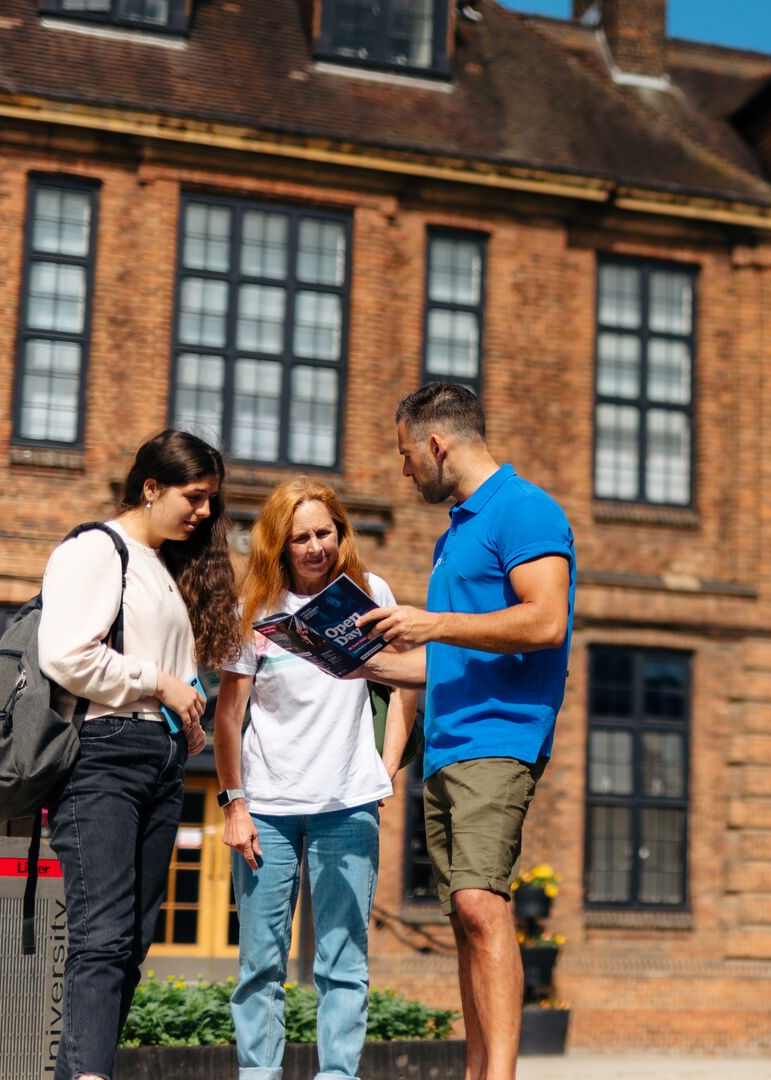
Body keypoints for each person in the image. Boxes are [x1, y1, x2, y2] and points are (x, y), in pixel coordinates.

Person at [355, 383, 573, 1080]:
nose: (403, 470)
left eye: (405, 455)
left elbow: (545, 621)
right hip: (447, 746)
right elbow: (440, 657)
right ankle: (478, 1069)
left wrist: (433, 622)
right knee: (464, 914)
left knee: (481, 902)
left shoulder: (525, 509)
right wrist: (355, 662)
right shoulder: (455, 536)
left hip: (499, 735)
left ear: (436, 444)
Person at [38, 430, 242, 1080]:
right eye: (195, 496)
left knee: (132, 942)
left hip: (159, 759)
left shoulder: (161, 567)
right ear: (151, 487)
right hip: (104, 755)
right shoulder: (96, 550)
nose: (205, 513)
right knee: (102, 935)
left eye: (211, 500)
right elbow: (67, 654)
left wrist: (187, 716)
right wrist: (160, 682)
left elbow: (173, 676)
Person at [215, 478, 418, 1080]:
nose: (313, 547)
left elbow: (407, 680)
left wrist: (384, 766)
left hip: (347, 804)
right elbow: (229, 715)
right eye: (299, 537)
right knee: (260, 964)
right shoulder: (253, 608)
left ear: (341, 533)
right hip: (267, 807)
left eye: (323, 533)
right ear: (278, 543)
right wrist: (234, 803)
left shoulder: (369, 593)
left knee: (342, 960)